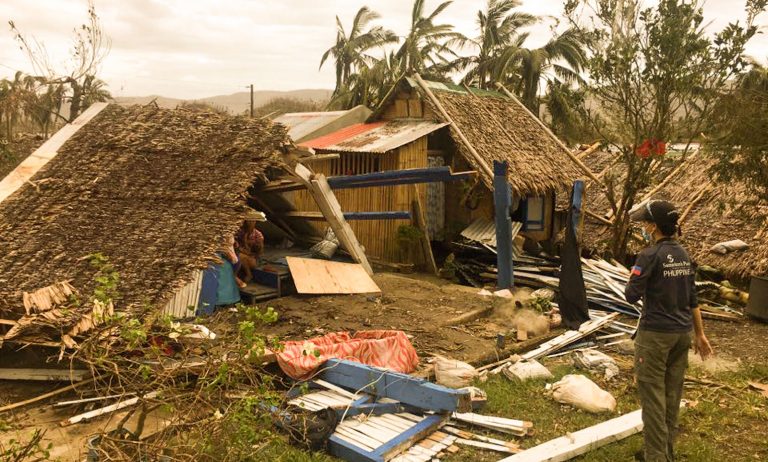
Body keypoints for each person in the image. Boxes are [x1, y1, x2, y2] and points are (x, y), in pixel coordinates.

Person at [625, 199, 713, 462]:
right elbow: (692, 298)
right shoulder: (685, 255)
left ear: (653, 227)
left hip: (655, 335)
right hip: (682, 334)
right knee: (672, 395)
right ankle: (666, 453)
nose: (643, 227)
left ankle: (655, 458)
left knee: (652, 397)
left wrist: (636, 276)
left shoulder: (649, 256)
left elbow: (631, 295)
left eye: (644, 223)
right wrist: (700, 334)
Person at [235, 209, 265, 285]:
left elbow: (260, 251)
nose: (250, 223)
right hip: (243, 254)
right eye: (249, 221)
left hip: (254, 259)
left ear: (255, 222)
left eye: (252, 221)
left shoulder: (258, 235)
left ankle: (249, 274)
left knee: (241, 257)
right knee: (240, 256)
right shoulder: (241, 232)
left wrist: (248, 247)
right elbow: (237, 245)